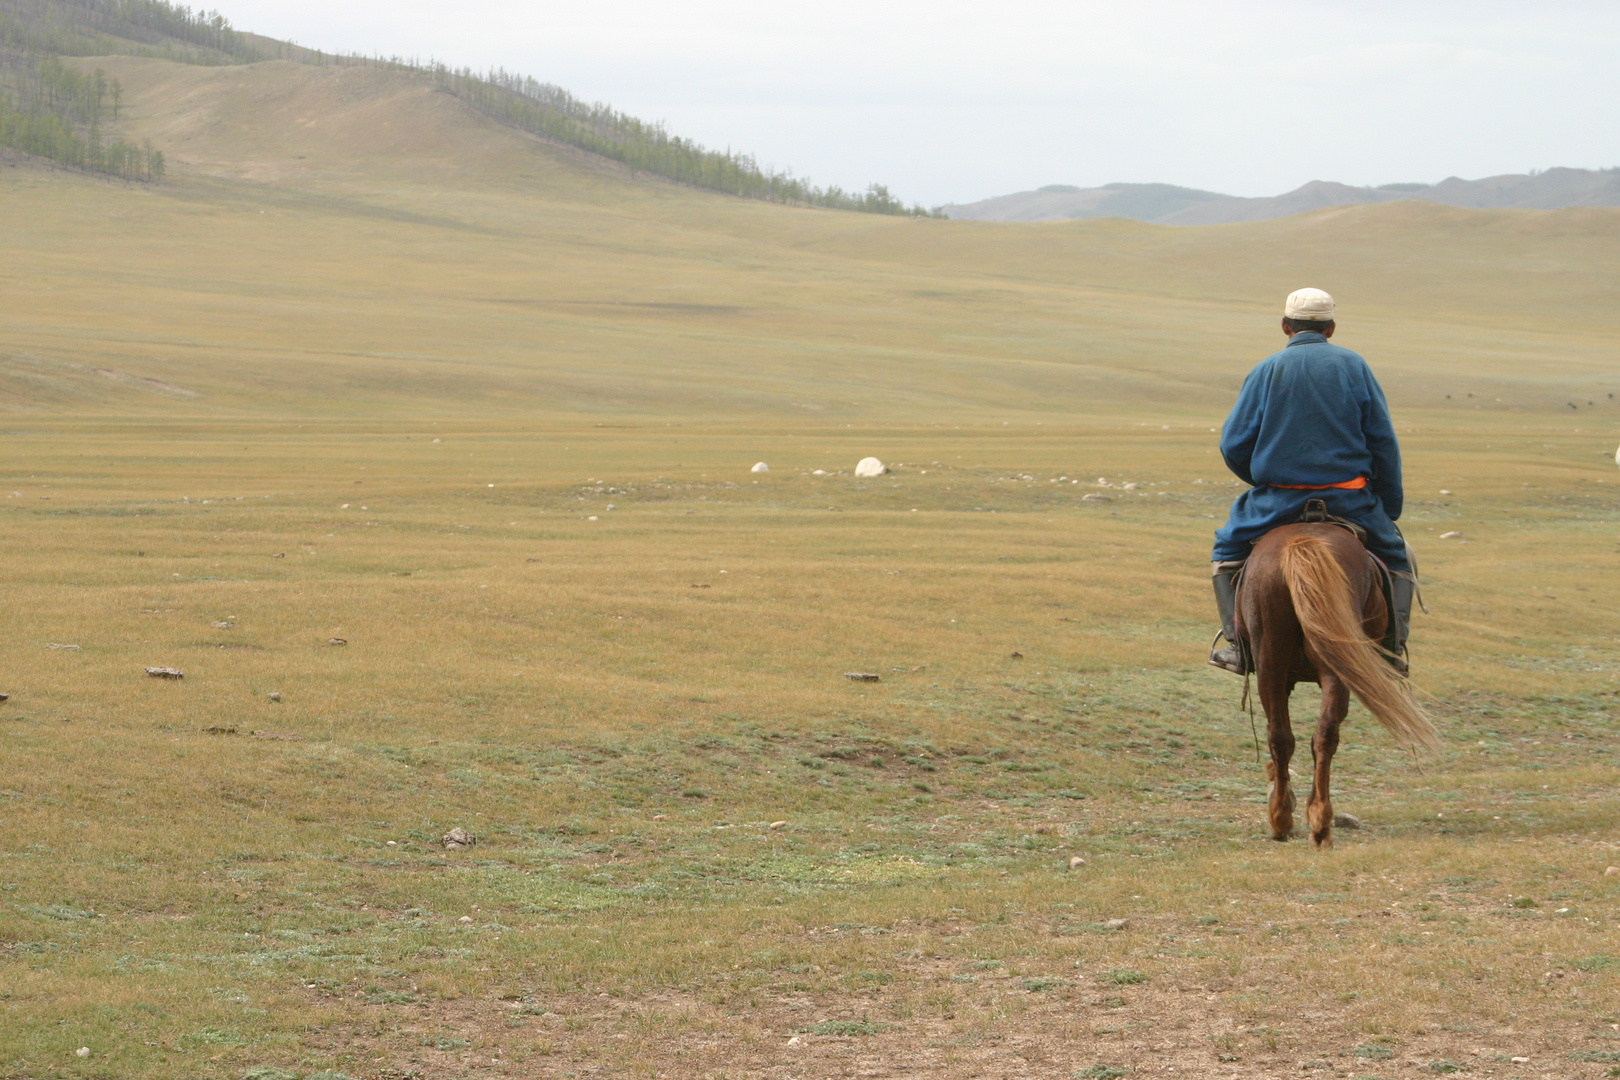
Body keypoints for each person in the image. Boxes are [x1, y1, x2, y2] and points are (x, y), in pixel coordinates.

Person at [1209, 288, 1418, 675]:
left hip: (1277, 502)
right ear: (1331, 328)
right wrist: (1389, 506)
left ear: (1286, 326)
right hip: (1349, 501)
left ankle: (1238, 646)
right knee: (1399, 559)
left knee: (1226, 553)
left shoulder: (1266, 370)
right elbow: (1382, 441)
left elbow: (1233, 443)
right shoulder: (1354, 366)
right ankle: (1391, 651)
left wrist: (1262, 479)